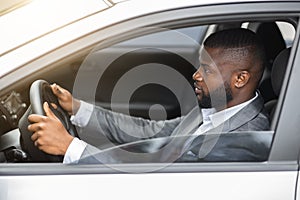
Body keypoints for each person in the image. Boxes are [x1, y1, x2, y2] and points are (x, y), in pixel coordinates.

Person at [27, 28, 271, 164]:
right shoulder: (216, 110)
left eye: (207, 70)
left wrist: (71, 147)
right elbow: (151, 131)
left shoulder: (244, 138)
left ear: (240, 79)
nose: (196, 76)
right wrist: (79, 109)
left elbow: (157, 183)